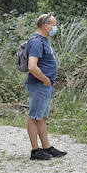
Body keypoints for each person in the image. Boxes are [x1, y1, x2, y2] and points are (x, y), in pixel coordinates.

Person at [25, 13, 63, 161]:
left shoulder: (44, 40)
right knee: (34, 116)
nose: (55, 28)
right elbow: (32, 67)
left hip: (45, 85)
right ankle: (35, 150)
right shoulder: (36, 42)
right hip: (39, 85)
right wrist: (45, 80)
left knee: (42, 117)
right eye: (53, 25)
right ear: (45, 26)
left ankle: (47, 147)